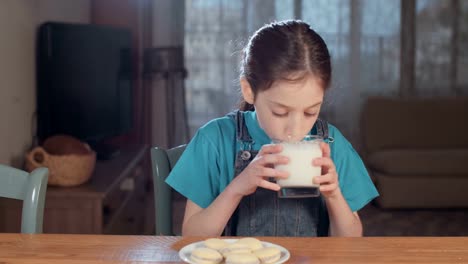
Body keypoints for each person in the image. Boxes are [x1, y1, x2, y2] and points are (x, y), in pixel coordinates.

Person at [166, 20, 378, 237]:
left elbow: (351, 243)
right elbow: (192, 238)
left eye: (310, 112)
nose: (295, 130)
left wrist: (334, 195)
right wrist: (236, 188)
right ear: (249, 90)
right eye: (280, 112)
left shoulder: (332, 144)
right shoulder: (215, 140)